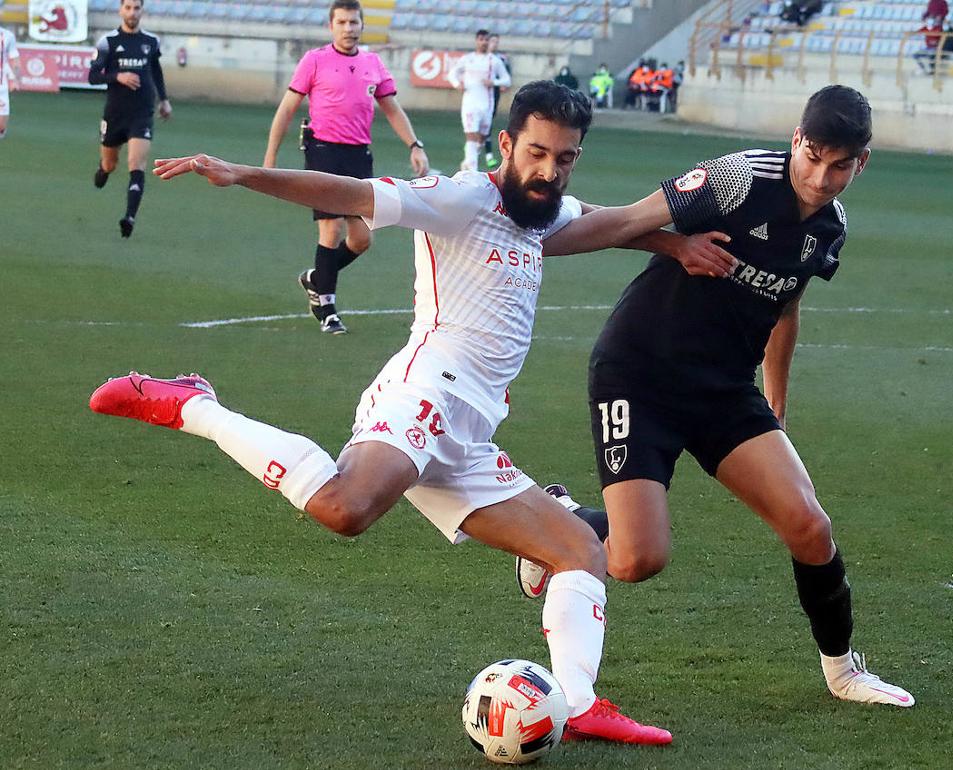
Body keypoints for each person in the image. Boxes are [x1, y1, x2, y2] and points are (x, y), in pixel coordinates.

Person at [87, 81, 737, 746]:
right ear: (507, 144)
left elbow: (596, 222)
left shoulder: (543, 207)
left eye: (565, 158)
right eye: (538, 153)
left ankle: (578, 703)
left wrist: (673, 245)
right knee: (346, 508)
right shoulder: (461, 198)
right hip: (427, 392)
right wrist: (242, 174)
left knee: (580, 551)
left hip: (474, 430)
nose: (549, 170)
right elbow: (349, 192)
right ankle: (193, 405)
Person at [516, 85, 915, 709]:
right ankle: (561, 522)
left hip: (724, 389)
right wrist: (520, 243)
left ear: (862, 164)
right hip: (638, 372)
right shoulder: (738, 178)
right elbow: (624, 220)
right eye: (813, 157)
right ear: (796, 142)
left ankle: (843, 671)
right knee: (634, 559)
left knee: (810, 525)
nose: (821, 177)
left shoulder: (831, 230)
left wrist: (776, 403)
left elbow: (787, 307)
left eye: (840, 166)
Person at [264, 0, 429, 336]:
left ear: (362, 25)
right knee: (331, 230)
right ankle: (327, 308)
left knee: (362, 238)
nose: (348, 28)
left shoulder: (372, 63)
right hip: (322, 150)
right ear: (331, 26)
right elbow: (286, 109)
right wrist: (270, 159)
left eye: (354, 22)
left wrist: (414, 145)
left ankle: (316, 278)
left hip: (358, 155)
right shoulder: (314, 60)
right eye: (342, 22)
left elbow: (393, 109)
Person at [88, 0, 171, 239]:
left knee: (137, 164)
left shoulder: (151, 42)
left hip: (142, 113)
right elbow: (93, 76)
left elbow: (155, 70)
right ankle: (103, 169)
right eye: (128, 8)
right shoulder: (108, 42)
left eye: (136, 8)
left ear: (141, 11)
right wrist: (118, 76)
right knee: (110, 164)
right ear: (120, 10)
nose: (132, 12)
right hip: (115, 114)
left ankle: (129, 217)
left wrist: (164, 100)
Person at [447, 28, 511, 173]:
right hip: (470, 104)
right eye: (481, 39)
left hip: (487, 106)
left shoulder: (494, 61)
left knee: (481, 139)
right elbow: (452, 74)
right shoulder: (467, 59)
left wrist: (493, 82)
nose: (483, 42)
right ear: (476, 41)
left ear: (489, 42)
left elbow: (507, 80)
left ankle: (467, 162)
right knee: (471, 136)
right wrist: (458, 84)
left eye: (486, 40)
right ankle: (472, 172)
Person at [481, 32, 510, 171]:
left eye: (496, 42)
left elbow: (506, 78)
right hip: (478, 96)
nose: (494, 44)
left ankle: (482, 149)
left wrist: (495, 82)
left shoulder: (500, 59)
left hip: (493, 95)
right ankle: (488, 155)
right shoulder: (478, 58)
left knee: (487, 125)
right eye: (492, 41)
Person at [0, 25, 18, 140]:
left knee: (1, 126)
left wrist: (13, 79)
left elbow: (14, 59)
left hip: (1, 86)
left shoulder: (7, 35)